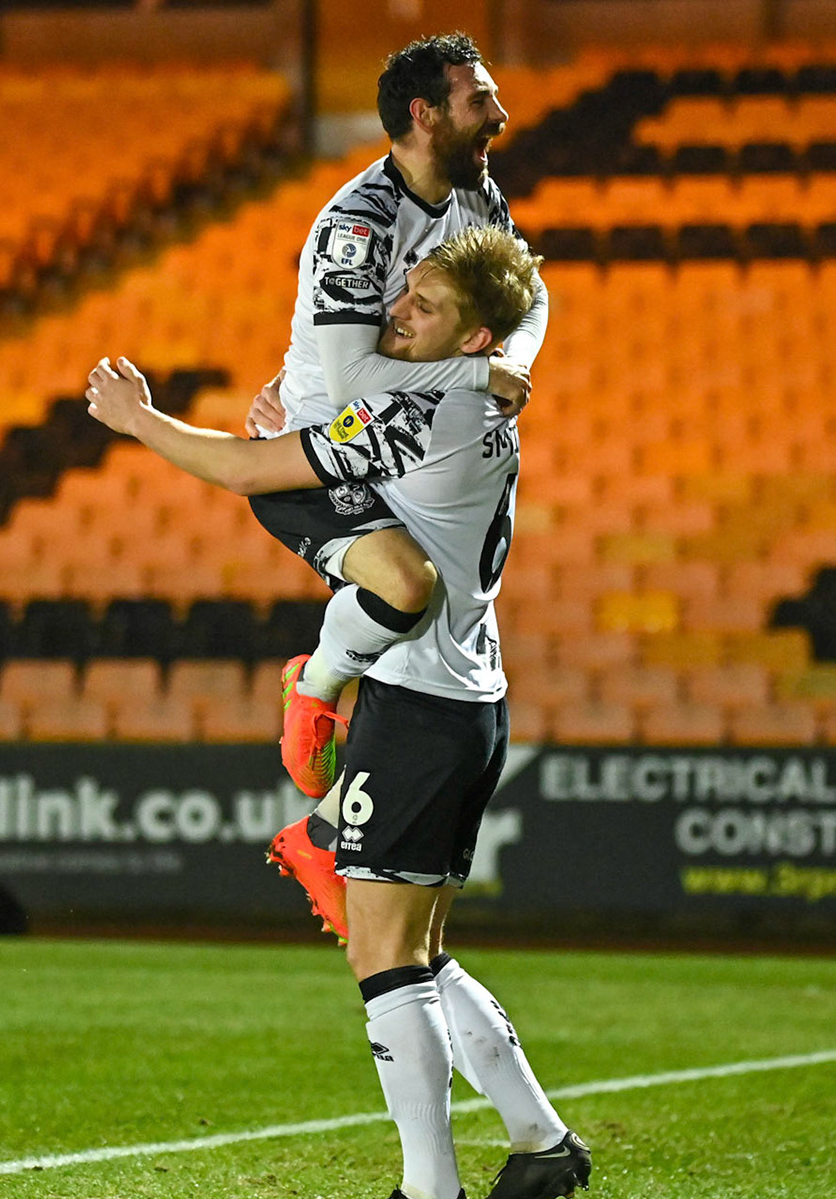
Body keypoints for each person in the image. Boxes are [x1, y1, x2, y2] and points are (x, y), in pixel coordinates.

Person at [87, 226, 588, 1199]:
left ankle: (429, 1195)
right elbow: (514, 319)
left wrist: (139, 420)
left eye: (425, 306)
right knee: (422, 951)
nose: (397, 311)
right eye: (406, 292)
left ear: (474, 337)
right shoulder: (482, 393)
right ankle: (540, 1140)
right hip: (467, 698)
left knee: (383, 954)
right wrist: (310, 413)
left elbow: (249, 470)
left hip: (417, 709)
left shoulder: (428, 407)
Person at [243, 33, 547, 801]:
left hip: (397, 447)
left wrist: (516, 362)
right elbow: (353, 383)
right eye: (480, 99)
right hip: (317, 457)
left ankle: (333, 832)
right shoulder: (361, 222)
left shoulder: (475, 196)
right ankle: (314, 694)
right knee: (409, 590)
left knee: (431, 630)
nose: (501, 115)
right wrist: (480, 371)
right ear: (425, 115)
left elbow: (531, 291)